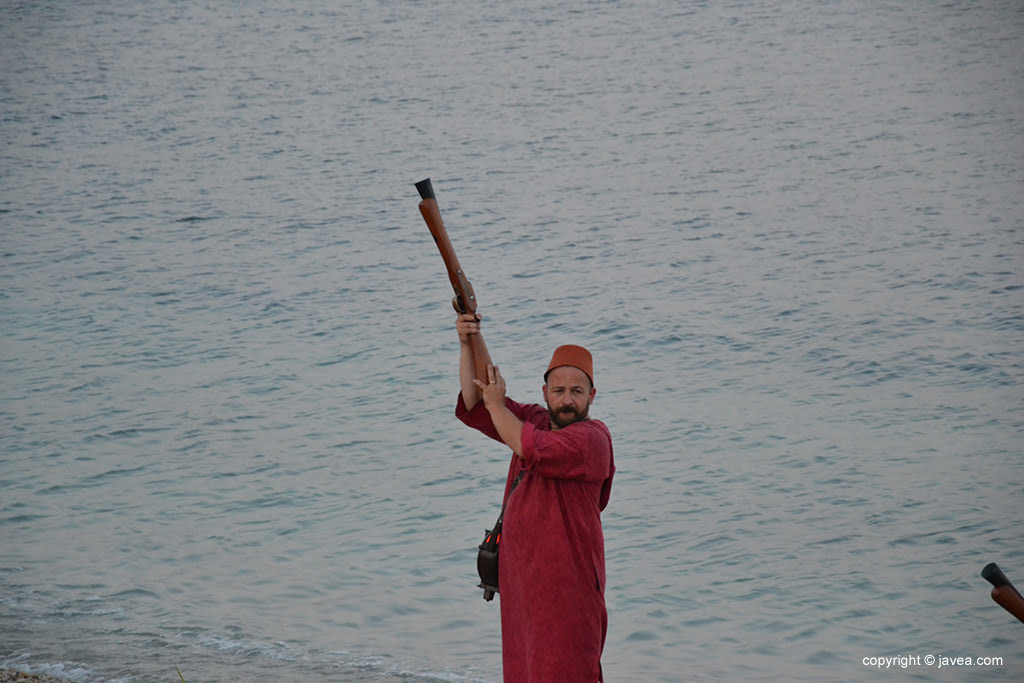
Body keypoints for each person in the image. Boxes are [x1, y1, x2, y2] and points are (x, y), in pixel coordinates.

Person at [454, 312, 615, 683]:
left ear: (592, 396)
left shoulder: (592, 440)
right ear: (545, 393)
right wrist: (469, 341)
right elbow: (479, 398)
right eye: (558, 391)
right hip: (524, 585)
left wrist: (497, 406)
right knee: (523, 672)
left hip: (568, 590)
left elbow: (528, 445)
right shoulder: (537, 420)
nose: (567, 400)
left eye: (577, 392)